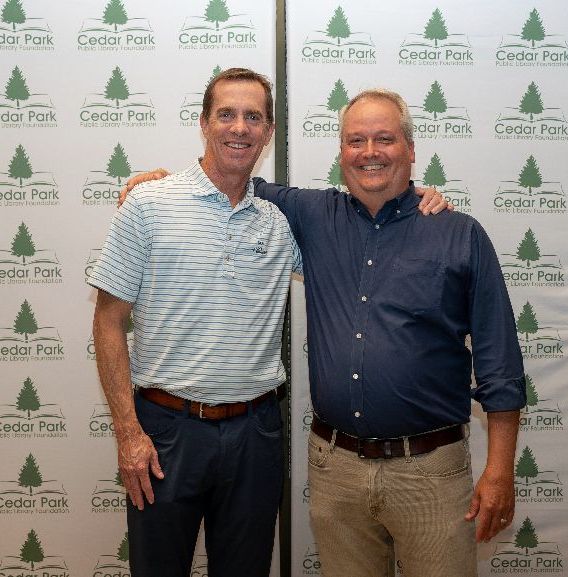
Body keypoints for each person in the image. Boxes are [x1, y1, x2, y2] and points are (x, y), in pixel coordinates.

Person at [125, 87, 525, 577]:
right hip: (337, 472)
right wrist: (162, 183)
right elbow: (228, 178)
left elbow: (500, 364)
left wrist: (500, 470)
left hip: (430, 473)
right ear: (341, 153)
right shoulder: (312, 214)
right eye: (356, 141)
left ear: (411, 149)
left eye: (385, 139)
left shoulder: (459, 234)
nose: (370, 152)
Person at [89, 68, 302, 577]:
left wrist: (419, 198)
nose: (239, 127)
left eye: (253, 117)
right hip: (166, 432)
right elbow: (108, 321)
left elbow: (361, 228)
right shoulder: (148, 203)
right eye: (226, 114)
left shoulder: (280, 221)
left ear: (269, 131)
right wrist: (128, 433)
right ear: (204, 123)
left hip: (256, 434)